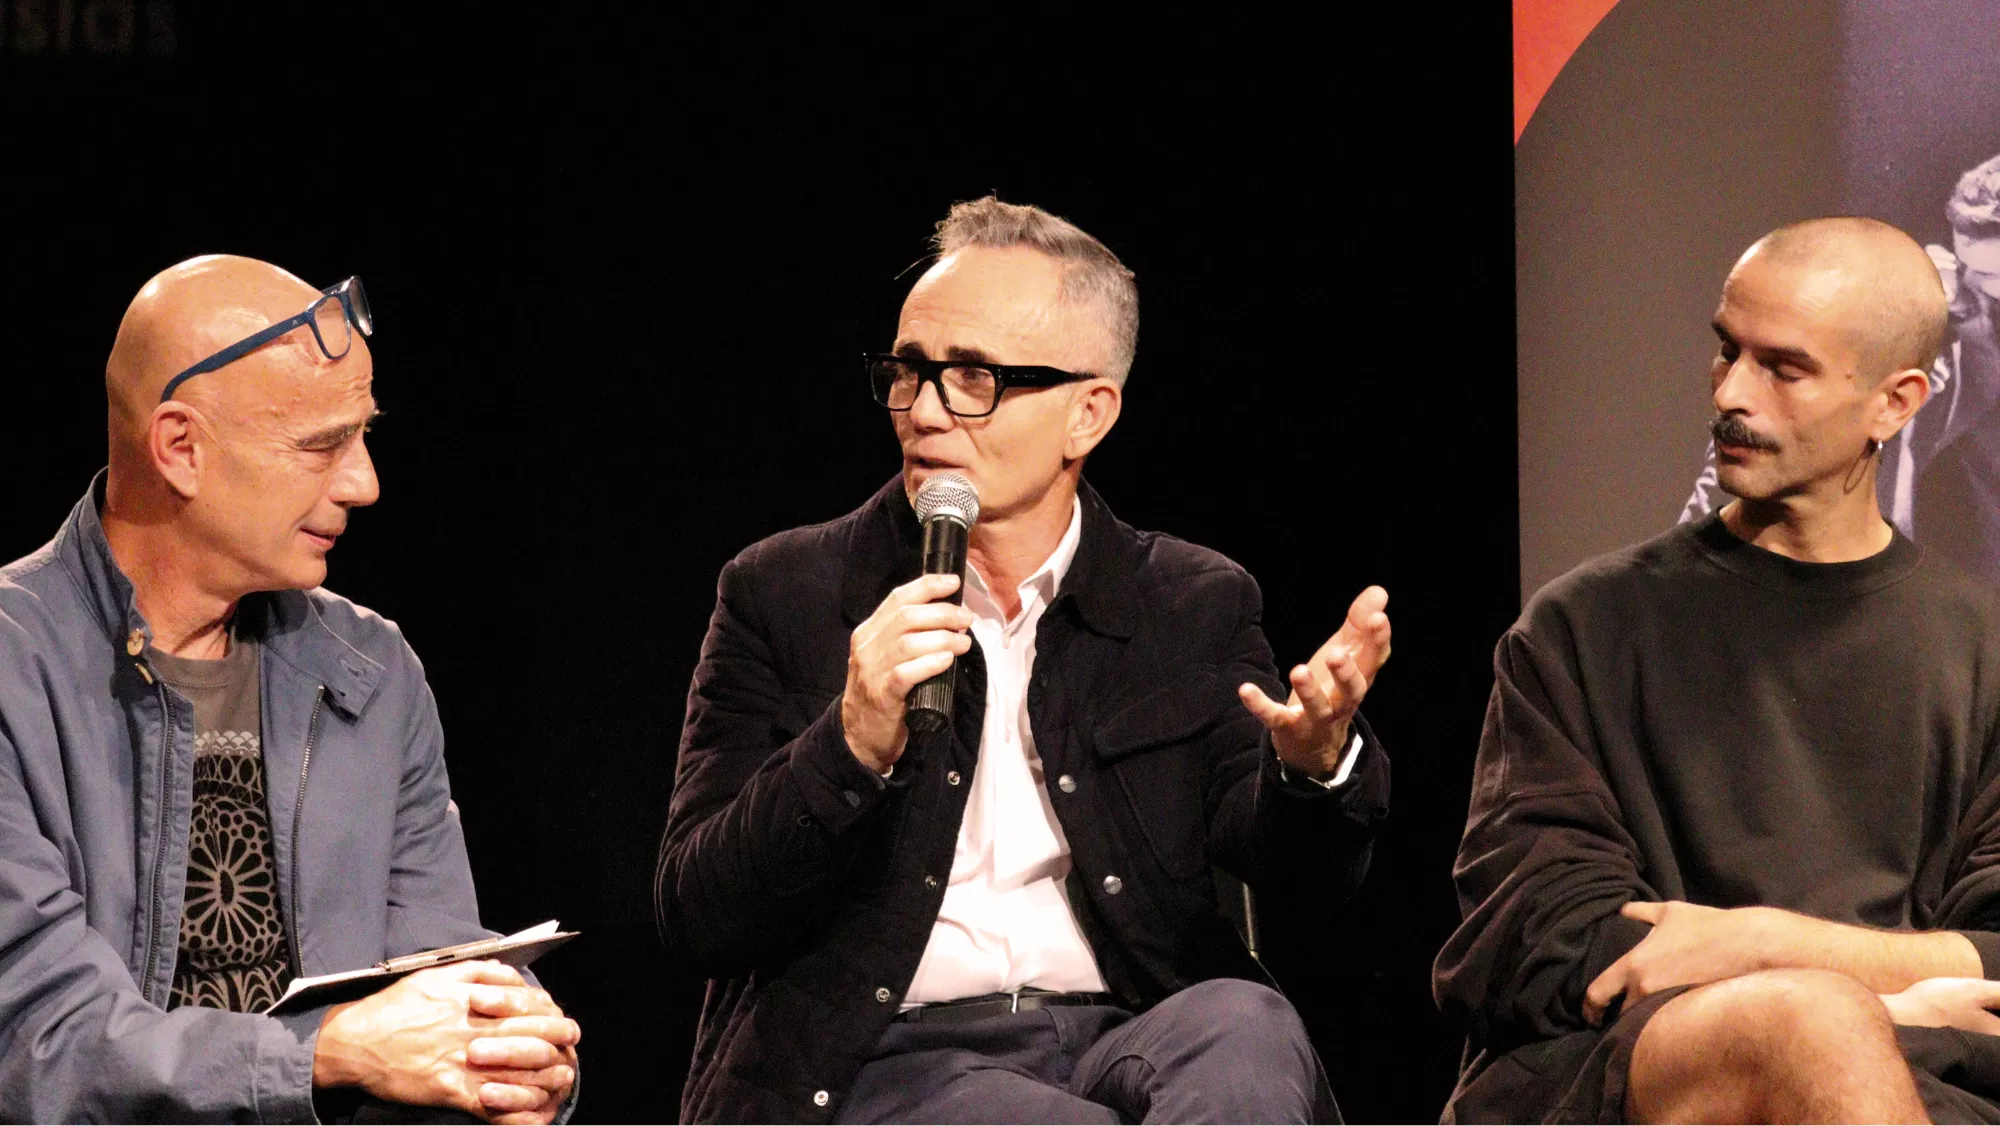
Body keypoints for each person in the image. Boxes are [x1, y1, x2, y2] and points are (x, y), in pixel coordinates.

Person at [658, 198, 1392, 1123]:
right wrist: (847, 749)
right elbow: (696, 911)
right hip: (889, 1059)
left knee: (1246, 1027)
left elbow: (1310, 889)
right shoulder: (787, 592)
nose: (924, 411)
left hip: (1130, 1029)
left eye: (972, 378)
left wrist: (1313, 768)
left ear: (1088, 414)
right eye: (908, 371)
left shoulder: (1189, 603)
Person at [1434, 217, 2000, 1123]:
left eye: (1784, 368)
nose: (1732, 392)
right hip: (1629, 1071)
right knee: (1810, 1025)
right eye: (1725, 350)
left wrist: (1760, 944)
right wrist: (1862, 996)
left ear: (1897, 402)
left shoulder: (1982, 652)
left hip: (1931, 1075)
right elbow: (1536, 936)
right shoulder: (1586, 626)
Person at [0, 256, 579, 1122]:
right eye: (321, 445)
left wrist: (504, 1063)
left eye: (364, 435)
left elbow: (434, 976)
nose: (364, 484)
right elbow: (36, 1039)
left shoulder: (374, 671)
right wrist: (332, 1053)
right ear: (180, 447)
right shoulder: (14, 666)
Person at [1681, 154, 2000, 583]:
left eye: (1990, 277)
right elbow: (1759, 446)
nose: (1974, 290)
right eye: (1968, 268)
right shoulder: (1948, 327)